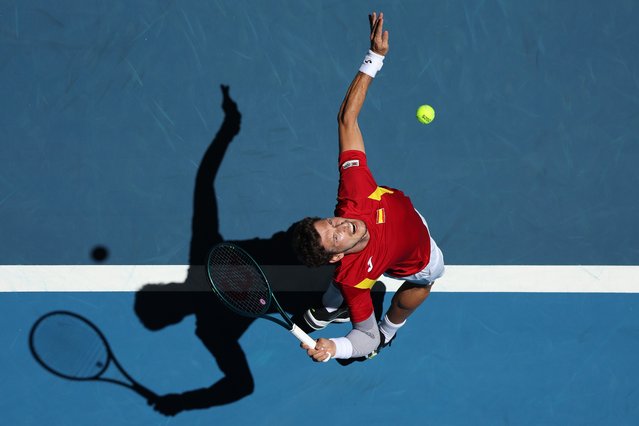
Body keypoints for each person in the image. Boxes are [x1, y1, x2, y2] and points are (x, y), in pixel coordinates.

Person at [292, 12, 445, 363]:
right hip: (414, 259)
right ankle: (393, 329)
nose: (341, 224)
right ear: (337, 255)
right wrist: (336, 347)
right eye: (335, 236)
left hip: (402, 216)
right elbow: (364, 335)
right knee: (424, 284)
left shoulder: (354, 196)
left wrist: (374, 57)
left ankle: (328, 309)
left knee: (345, 283)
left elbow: (347, 119)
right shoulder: (354, 274)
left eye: (329, 222)